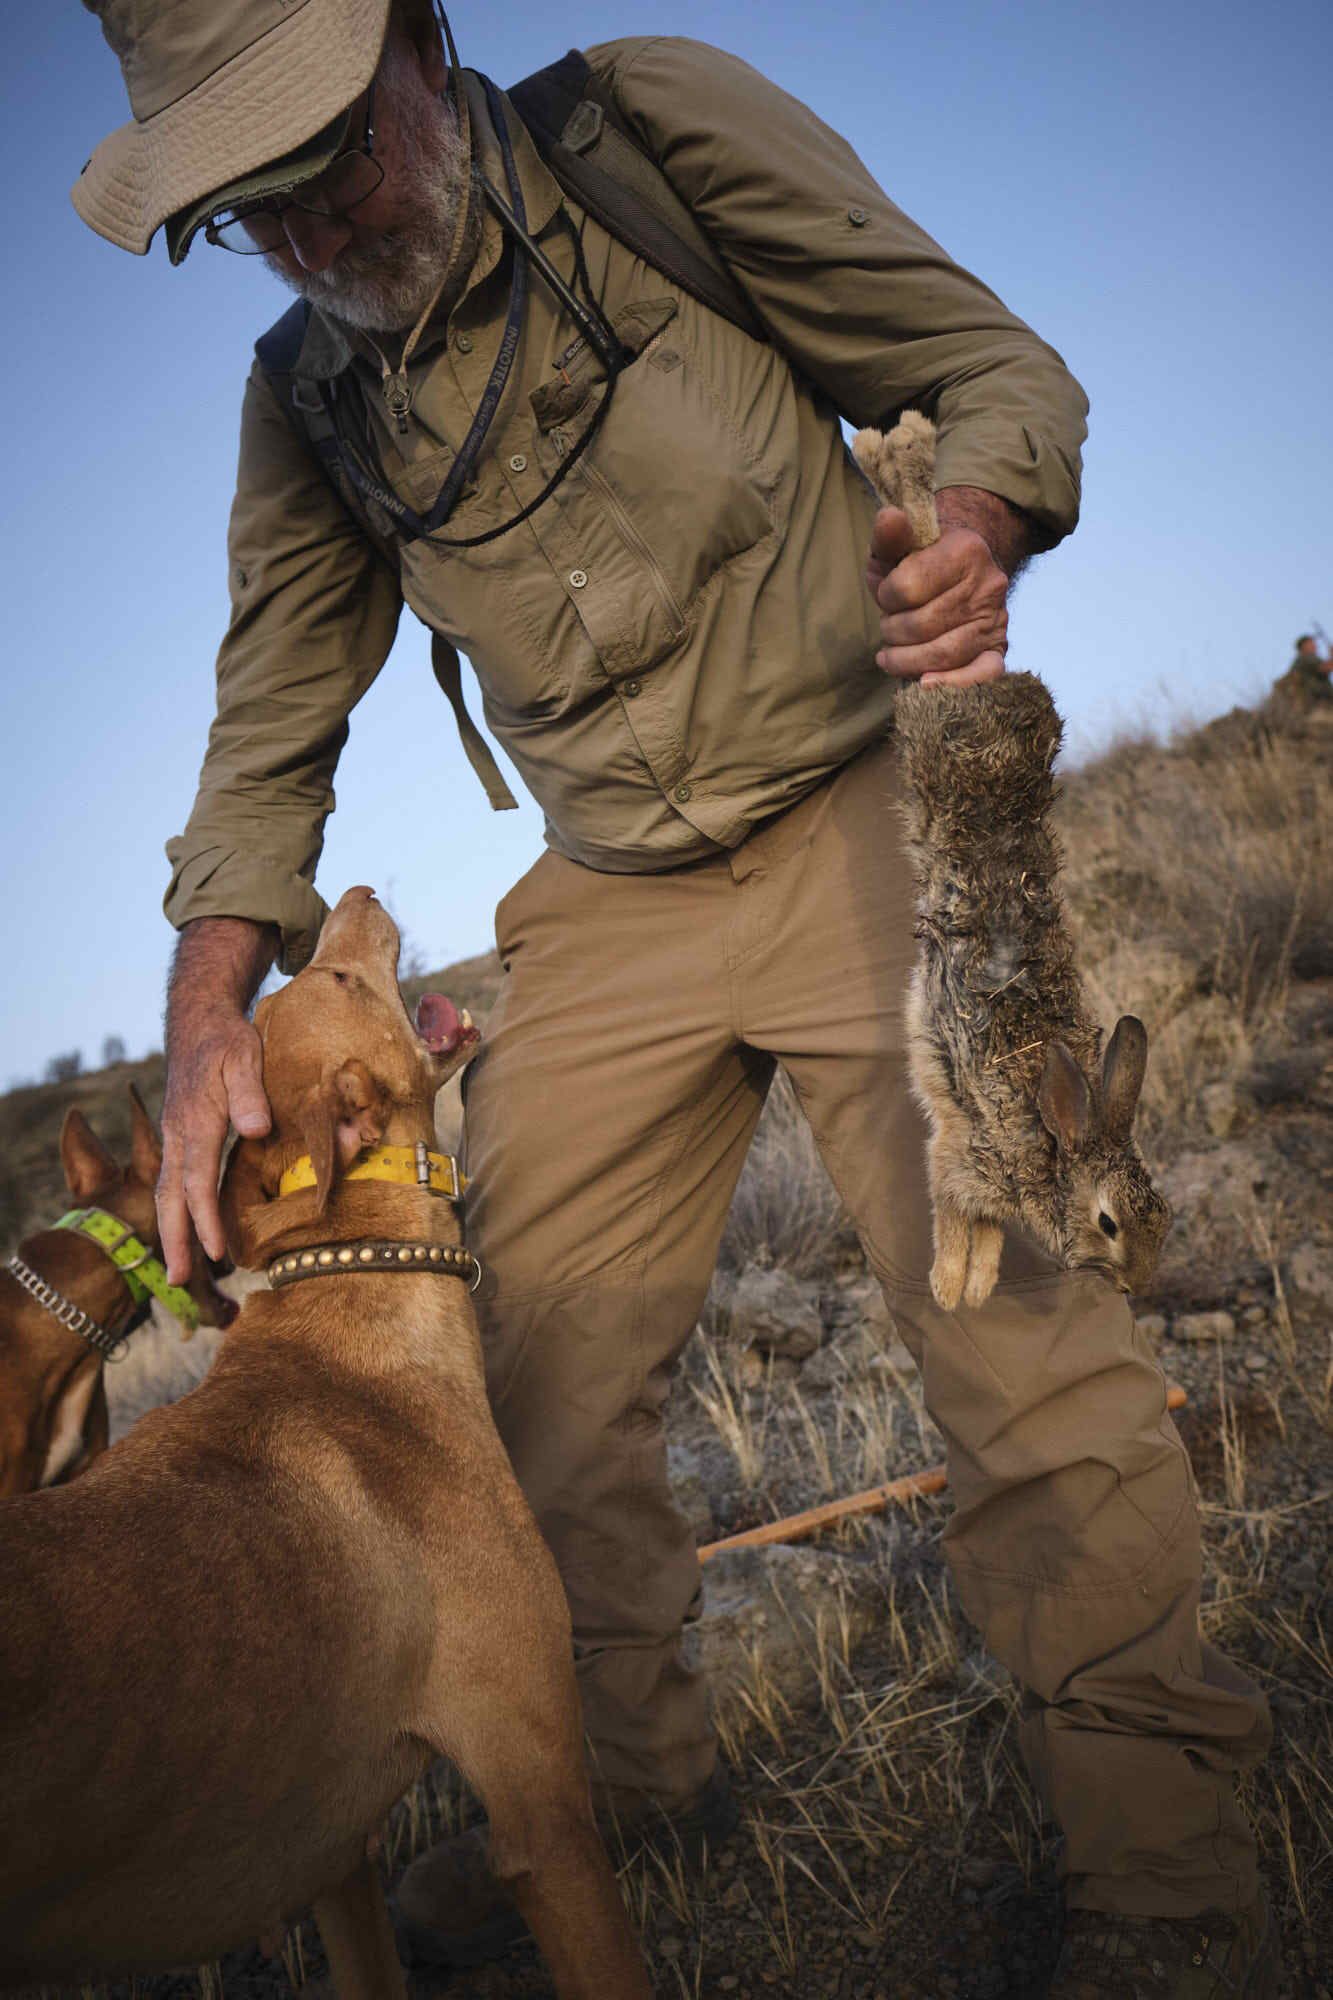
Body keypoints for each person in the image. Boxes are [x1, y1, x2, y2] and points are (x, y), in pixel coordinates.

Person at [74, 2, 1276, 1992]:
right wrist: (207, 1013)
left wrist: (974, 529)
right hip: (610, 889)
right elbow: (269, 722)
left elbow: (994, 371)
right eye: (247, 214)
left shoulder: (639, 131)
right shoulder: (305, 399)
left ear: (421, 47)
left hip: (863, 800)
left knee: (1014, 1327)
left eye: (327, 161)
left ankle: (1171, 1884)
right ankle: (604, 1795)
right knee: (523, 1378)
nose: (309, 234)